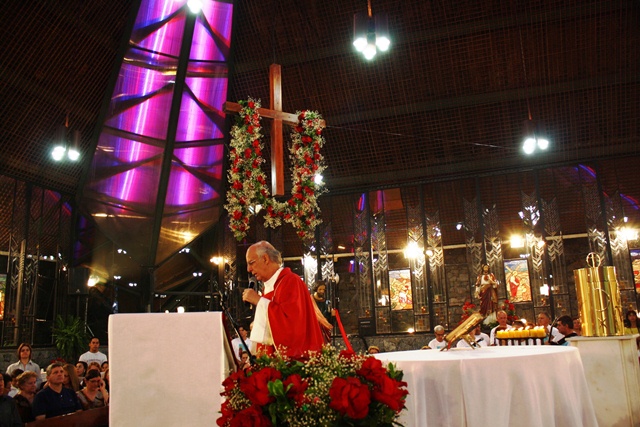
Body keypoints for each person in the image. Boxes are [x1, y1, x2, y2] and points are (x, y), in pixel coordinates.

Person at [242, 241, 324, 358]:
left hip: (294, 361)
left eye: (251, 263)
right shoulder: (269, 287)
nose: (248, 269)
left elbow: (293, 327)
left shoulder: (291, 281)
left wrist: (259, 301)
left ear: (265, 259)